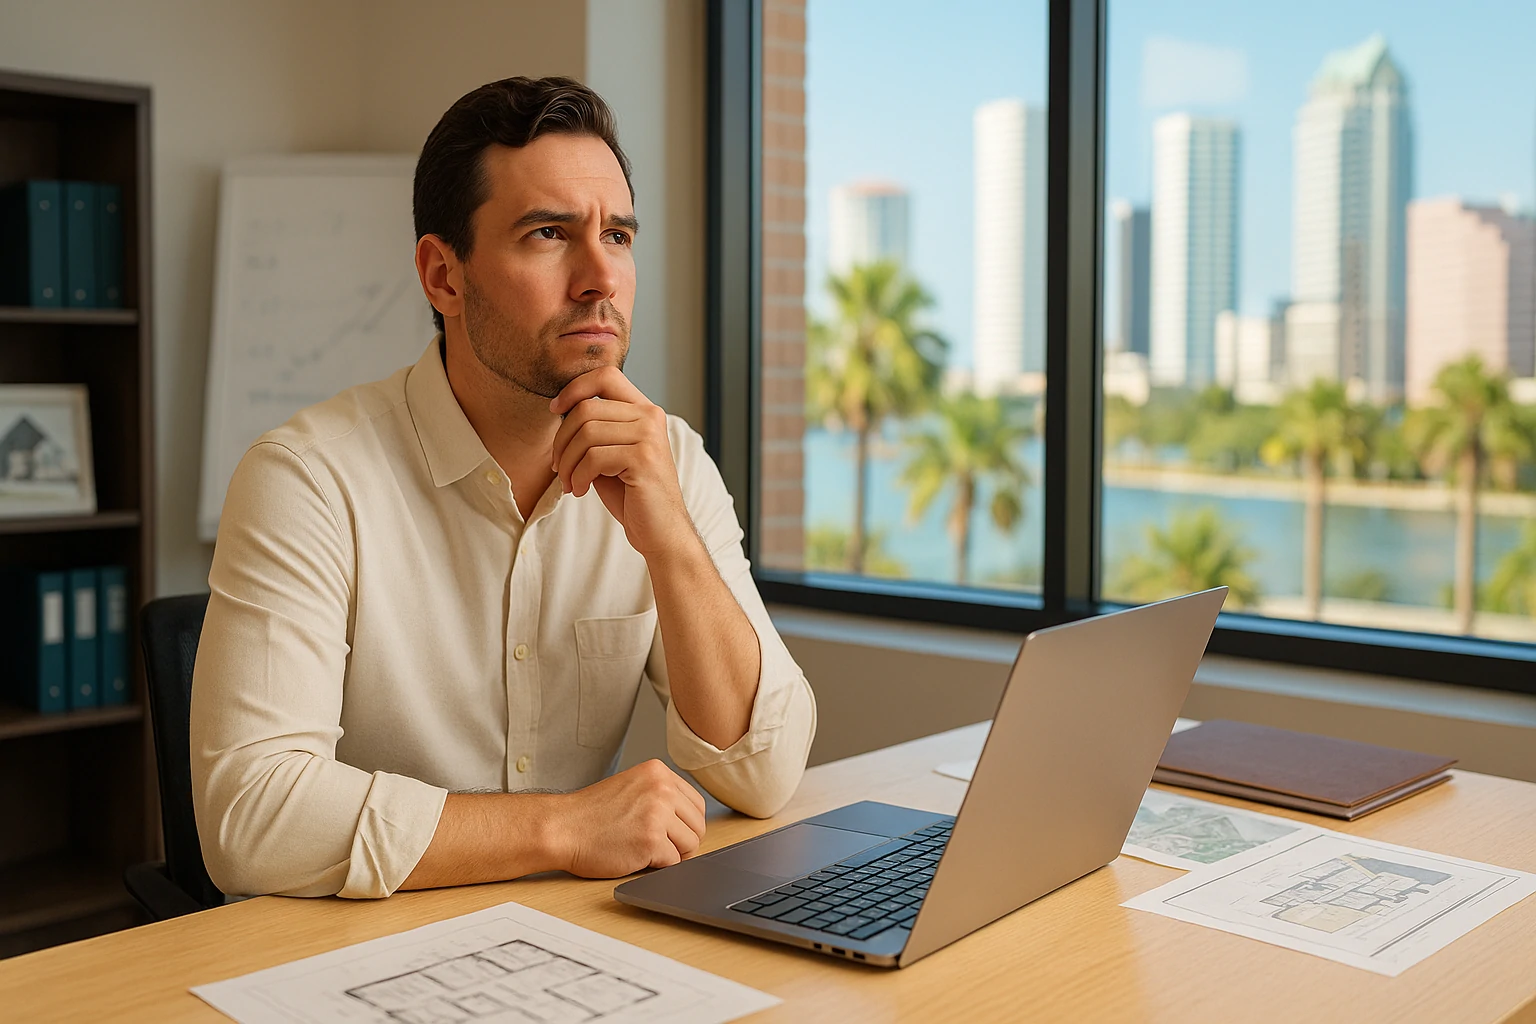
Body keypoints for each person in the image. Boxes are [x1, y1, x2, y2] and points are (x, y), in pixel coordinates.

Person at [189, 77, 817, 898]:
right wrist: (561, 825)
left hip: (575, 949)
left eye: (618, 235)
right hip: (354, 961)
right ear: (443, 276)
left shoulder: (670, 461)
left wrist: (670, 538)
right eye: (549, 233)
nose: (600, 277)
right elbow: (251, 817)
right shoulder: (307, 480)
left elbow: (764, 774)